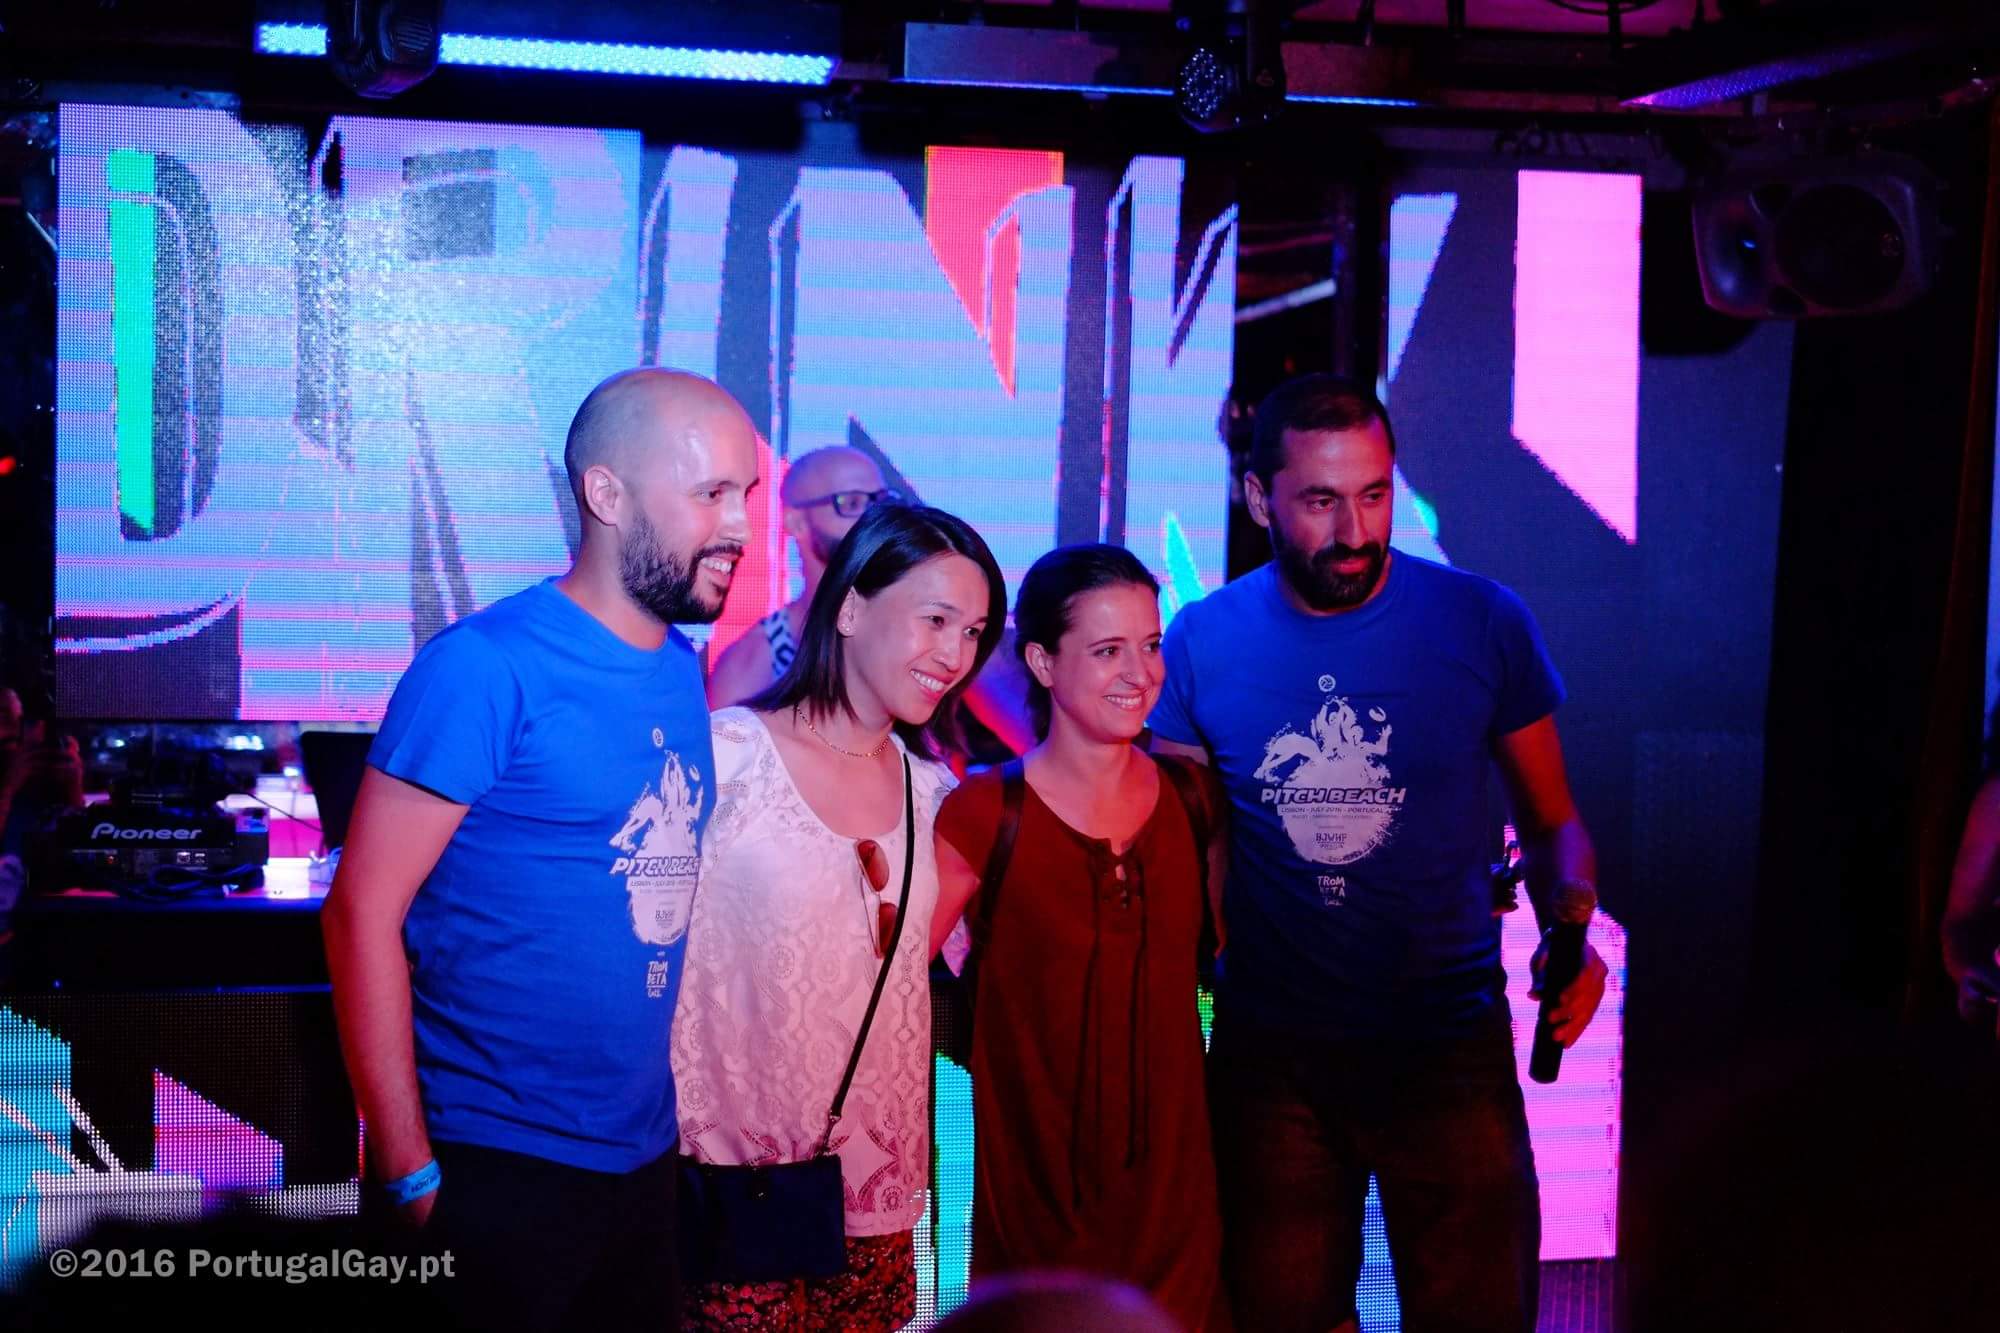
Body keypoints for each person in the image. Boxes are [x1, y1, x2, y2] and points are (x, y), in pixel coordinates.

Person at [1147, 374, 1608, 1333]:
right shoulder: (1201, 640)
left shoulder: (1482, 620)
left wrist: (1573, 929)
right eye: (1321, 501)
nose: (1355, 530)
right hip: (1272, 1057)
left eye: (1373, 494)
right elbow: (1179, 842)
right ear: (1259, 499)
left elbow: (1553, 821)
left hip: (1448, 1042)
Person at [321, 368, 758, 1331]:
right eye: (711, 493)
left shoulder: (678, 667)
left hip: (639, 1165)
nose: (738, 525)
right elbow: (359, 913)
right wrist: (406, 1171)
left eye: (747, 495)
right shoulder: (485, 667)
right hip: (492, 1162)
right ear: (607, 494)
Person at [672, 502, 1006, 1332]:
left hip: (872, 1205)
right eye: (936, 620)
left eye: (973, 633)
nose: (955, 655)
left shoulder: (936, 799)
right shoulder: (726, 755)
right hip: (725, 1193)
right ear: (851, 607)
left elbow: (898, 978)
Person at [931, 544, 1231, 1333]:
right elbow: (886, 985)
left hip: (1179, 1209)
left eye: (1150, 644)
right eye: (1107, 650)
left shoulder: (1195, 800)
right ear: (1042, 662)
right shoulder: (983, 813)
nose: (1140, 672)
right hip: (1038, 1211)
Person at [707, 445, 901, 706]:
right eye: (851, 503)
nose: (872, 517)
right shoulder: (751, 672)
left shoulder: (919, 627)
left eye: (881, 501)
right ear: (796, 523)